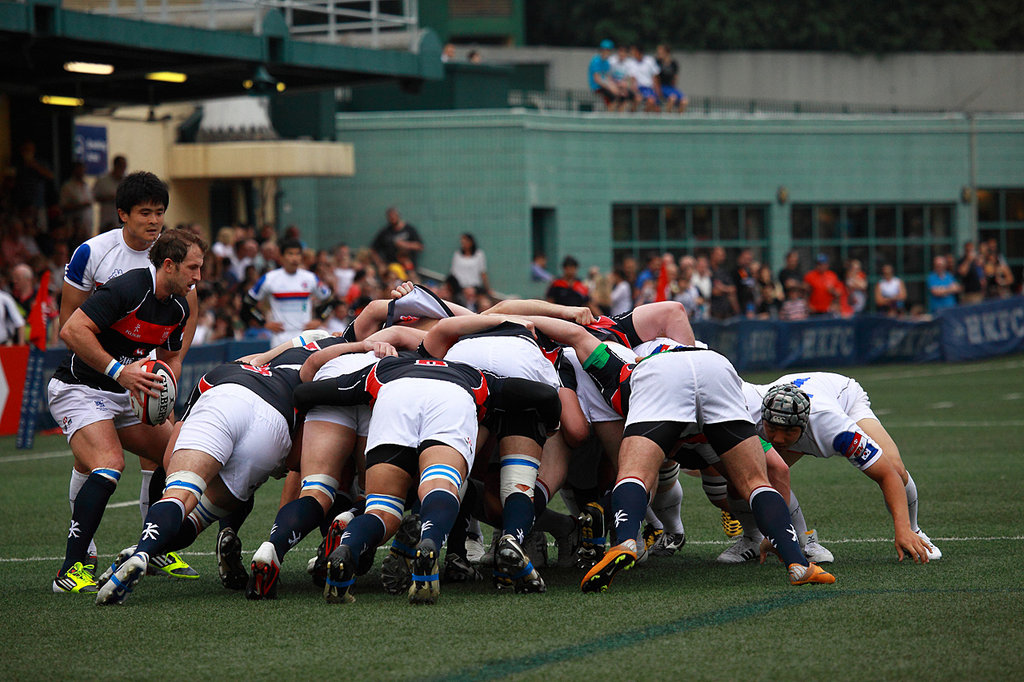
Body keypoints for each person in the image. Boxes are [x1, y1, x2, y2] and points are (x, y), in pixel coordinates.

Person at [527, 315, 835, 592]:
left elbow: (575, 334)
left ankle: (626, 541)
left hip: (660, 377)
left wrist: (514, 315)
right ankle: (798, 563)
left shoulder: (611, 365)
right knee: (755, 482)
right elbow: (778, 468)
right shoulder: (648, 345)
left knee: (634, 473)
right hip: (716, 366)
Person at [292, 326, 561, 606]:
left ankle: (347, 549)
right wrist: (551, 424)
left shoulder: (384, 368)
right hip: (451, 398)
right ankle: (430, 542)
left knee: (381, 509)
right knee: (439, 485)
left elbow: (306, 392)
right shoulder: (475, 374)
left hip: (395, 398)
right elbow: (543, 395)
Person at [94, 330, 336, 605]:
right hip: (272, 422)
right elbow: (295, 462)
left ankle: (144, 550)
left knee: (181, 493)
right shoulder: (317, 371)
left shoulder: (228, 369)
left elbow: (170, 456)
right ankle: (273, 544)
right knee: (202, 517)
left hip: (223, 397)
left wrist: (186, 475)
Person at [60, 171, 201, 583]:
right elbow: (71, 323)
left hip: (142, 374)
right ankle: (80, 557)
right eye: (145, 213)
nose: (154, 220)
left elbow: (184, 319)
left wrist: (168, 375)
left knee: (173, 453)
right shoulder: (94, 253)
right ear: (122, 214)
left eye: (160, 212)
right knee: (98, 462)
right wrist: (115, 370)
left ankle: (151, 547)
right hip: (93, 375)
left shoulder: (174, 256)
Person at [743, 376, 938, 563]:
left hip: (845, 398)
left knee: (894, 466)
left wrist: (902, 528)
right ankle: (788, 541)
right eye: (772, 428)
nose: (778, 438)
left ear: (804, 426)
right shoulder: (748, 410)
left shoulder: (835, 429)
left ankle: (914, 532)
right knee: (755, 475)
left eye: (788, 431)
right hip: (803, 398)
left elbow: (888, 475)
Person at [244, 239, 333, 346]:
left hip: (304, 337)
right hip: (280, 337)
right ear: (281, 257)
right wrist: (264, 323)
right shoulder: (269, 278)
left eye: (297, 254)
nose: (294, 258)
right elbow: (248, 302)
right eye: (290, 254)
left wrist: (319, 319)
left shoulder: (310, 278)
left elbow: (330, 301)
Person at [371, 207, 423, 274]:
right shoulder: (385, 232)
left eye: (394, 215)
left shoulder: (409, 229)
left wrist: (405, 245)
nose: (392, 218)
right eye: (390, 216)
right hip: (392, 269)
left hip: (408, 267)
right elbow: (373, 250)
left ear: (398, 215)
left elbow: (420, 246)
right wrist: (380, 264)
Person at [59, 161, 94, 242]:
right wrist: (80, 205)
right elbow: (63, 206)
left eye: (83, 170)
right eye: (79, 170)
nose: (81, 172)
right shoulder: (68, 186)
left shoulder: (86, 186)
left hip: (87, 224)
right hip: (74, 225)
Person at [92, 155, 127, 232]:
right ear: (115, 165)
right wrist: (108, 198)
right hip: (106, 221)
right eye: (120, 166)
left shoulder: (127, 181)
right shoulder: (103, 181)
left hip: (122, 224)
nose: (122, 169)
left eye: (124, 166)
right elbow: (93, 197)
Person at [449, 233, 489, 298]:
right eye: (462, 243)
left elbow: (483, 272)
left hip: (475, 287)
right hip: (460, 287)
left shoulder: (479, 254)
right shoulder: (457, 254)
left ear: (471, 242)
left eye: (466, 242)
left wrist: (487, 289)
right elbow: (453, 272)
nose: (464, 245)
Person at [588, 39, 623, 111]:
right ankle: (608, 114)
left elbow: (608, 77)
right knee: (614, 98)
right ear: (601, 50)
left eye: (609, 50)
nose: (607, 52)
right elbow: (597, 79)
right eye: (605, 50)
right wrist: (610, 87)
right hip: (597, 86)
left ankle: (613, 113)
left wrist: (614, 86)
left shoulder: (606, 62)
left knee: (622, 95)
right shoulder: (596, 61)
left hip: (604, 85)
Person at [654, 44, 688, 113]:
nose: (659, 54)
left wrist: (674, 88)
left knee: (684, 100)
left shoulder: (674, 63)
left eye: (660, 53)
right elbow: (655, 78)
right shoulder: (657, 63)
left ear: (666, 53)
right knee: (672, 98)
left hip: (670, 87)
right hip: (662, 86)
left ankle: (679, 116)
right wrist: (658, 91)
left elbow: (675, 78)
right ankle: (668, 115)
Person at [627, 45, 661, 112]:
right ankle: (632, 114)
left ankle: (645, 115)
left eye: (634, 52)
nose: (633, 53)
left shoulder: (650, 60)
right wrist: (634, 91)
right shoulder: (631, 63)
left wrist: (657, 90)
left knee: (656, 107)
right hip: (640, 88)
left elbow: (655, 76)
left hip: (650, 88)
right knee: (642, 100)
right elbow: (632, 78)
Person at [709, 246, 737, 319]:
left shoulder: (724, 271)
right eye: (720, 255)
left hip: (726, 311)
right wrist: (726, 290)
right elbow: (714, 291)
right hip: (713, 312)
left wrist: (722, 288)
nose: (723, 257)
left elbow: (733, 289)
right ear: (712, 255)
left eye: (723, 255)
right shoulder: (708, 271)